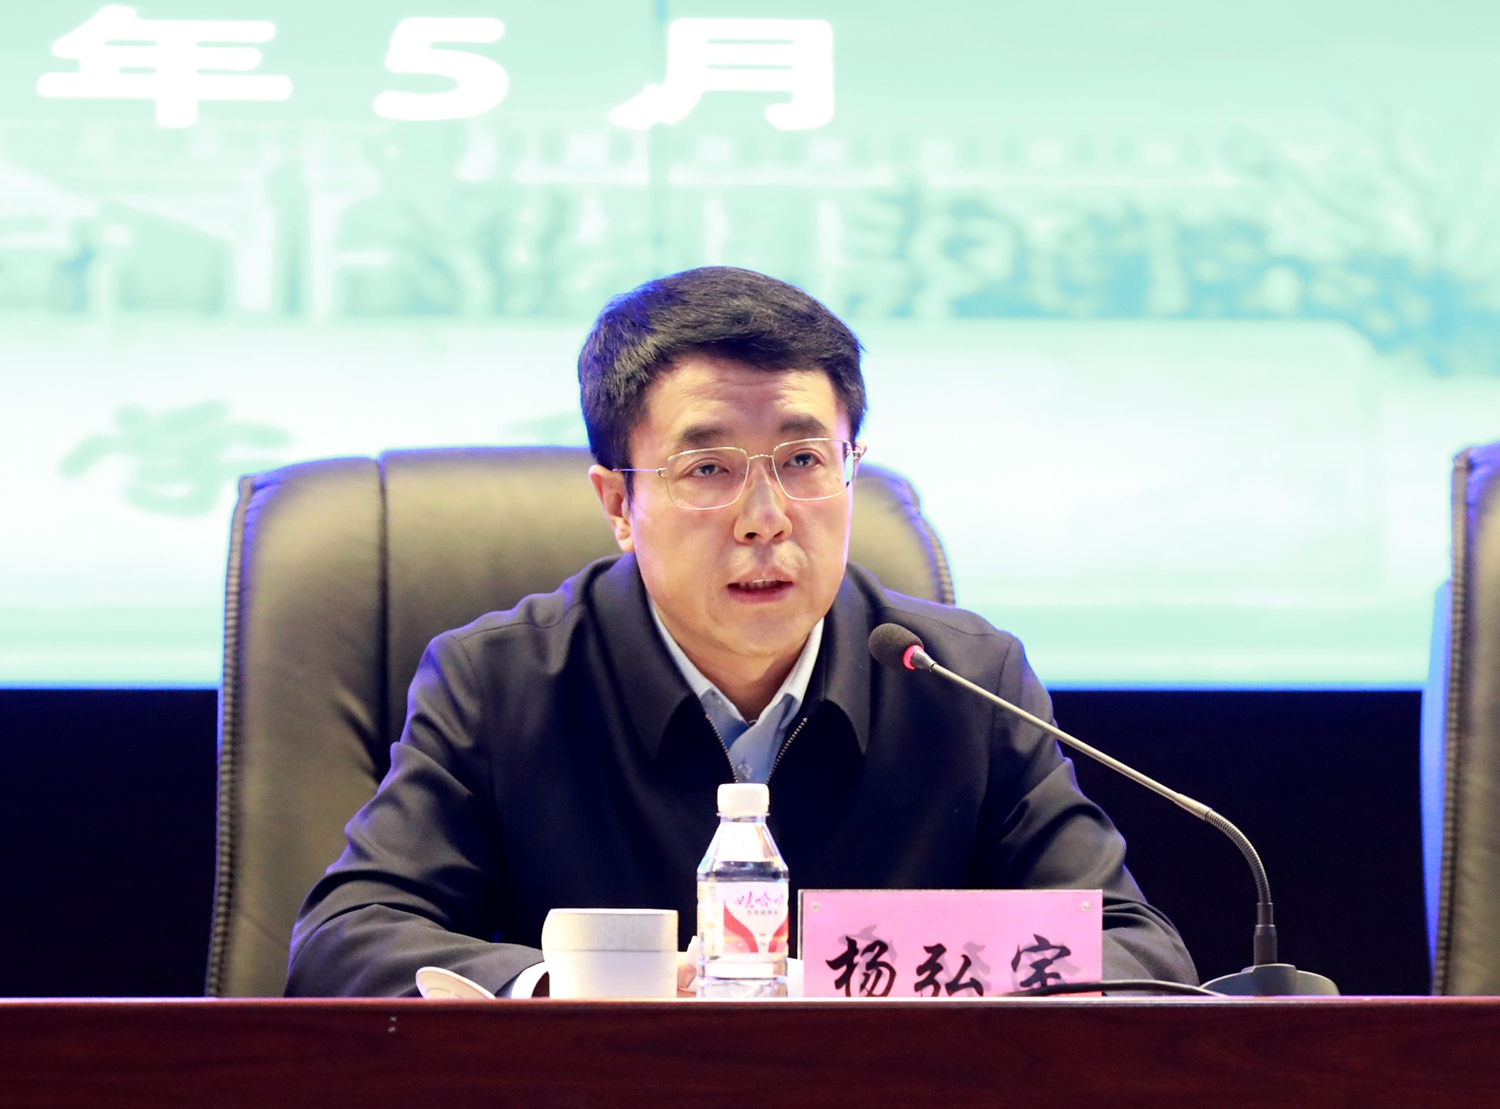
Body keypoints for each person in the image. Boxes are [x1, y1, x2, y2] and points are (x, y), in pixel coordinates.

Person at [286, 266, 1197, 997]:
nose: (766, 518)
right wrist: (566, 988)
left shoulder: (960, 678)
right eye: (708, 468)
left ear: (852, 466)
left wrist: (891, 985)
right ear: (619, 502)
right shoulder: (501, 681)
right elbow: (345, 940)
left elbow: (1137, 952)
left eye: (804, 459)